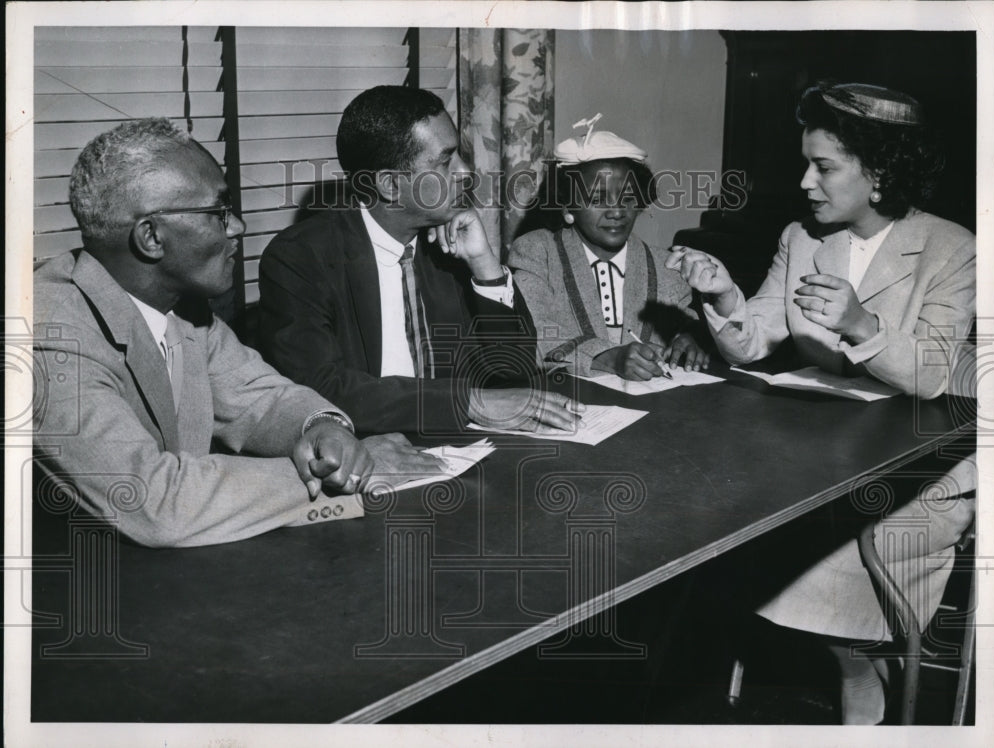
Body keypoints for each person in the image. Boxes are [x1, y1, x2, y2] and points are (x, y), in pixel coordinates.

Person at [671, 82, 976, 723]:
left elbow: (934, 372)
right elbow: (753, 341)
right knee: (727, 521)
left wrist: (863, 325)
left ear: (881, 173)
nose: (806, 181)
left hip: (920, 465)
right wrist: (725, 297)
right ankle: (861, 667)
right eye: (806, 163)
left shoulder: (953, 249)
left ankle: (863, 672)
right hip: (821, 456)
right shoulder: (803, 238)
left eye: (825, 166)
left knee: (821, 552)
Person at [33, 118, 439, 548]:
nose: (238, 228)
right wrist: (341, 470)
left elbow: (261, 400)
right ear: (151, 237)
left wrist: (323, 426)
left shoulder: (183, 310)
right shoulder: (51, 331)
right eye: (218, 213)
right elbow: (154, 503)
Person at [257, 86, 583, 436]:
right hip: (370, 450)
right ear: (390, 185)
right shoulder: (300, 258)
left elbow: (516, 369)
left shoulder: (450, 246)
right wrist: (465, 402)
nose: (466, 172)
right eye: (445, 162)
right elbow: (319, 390)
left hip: (466, 446)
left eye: (459, 155)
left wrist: (484, 264)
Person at [508, 116, 709, 380]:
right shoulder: (536, 253)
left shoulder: (667, 267)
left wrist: (688, 340)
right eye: (598, 198)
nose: (616, 211)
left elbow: (686, 323)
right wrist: (608, 356)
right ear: (568, 209)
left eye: (627, 197)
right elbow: (534, 333)